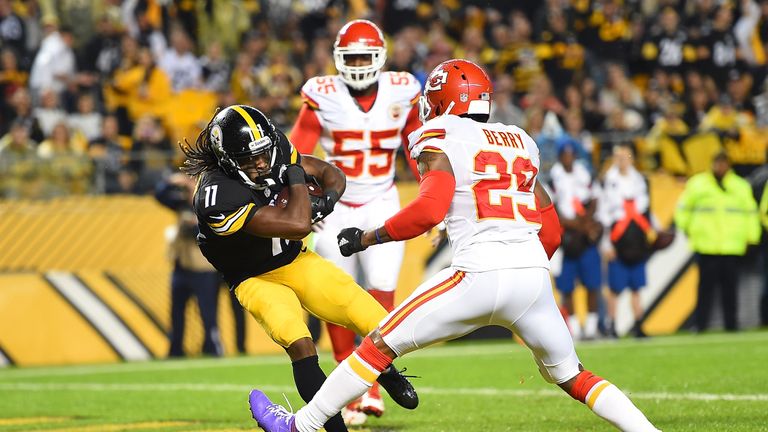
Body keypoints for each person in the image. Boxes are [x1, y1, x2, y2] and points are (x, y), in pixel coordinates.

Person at [249, 60, 660, 432]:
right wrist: (521, 270)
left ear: (441, 100)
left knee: (378, 344)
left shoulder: (439, 135)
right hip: (533, 278)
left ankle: (300, 426)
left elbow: (429, 210)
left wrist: (367, 237)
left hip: (476, 273)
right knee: (574, 377)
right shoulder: (519, 139)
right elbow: (549, 231)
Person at [178, 104, 417, 432]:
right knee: (300, 341)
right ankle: (335, 429)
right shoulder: (217, 196)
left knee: (375, 320)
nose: (261, 163)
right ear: (228, 160)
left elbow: (330, 172)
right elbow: (297, 224)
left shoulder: (273, 148)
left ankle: (386, 372)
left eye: (264, 154)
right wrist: (295, 180)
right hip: (254, 277)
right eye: (250, 159)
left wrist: (329, 198)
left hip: (296, 260)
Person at [289, 19, 421, 423]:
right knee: (336, 300)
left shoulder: (403, 90)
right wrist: (298, 204)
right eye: (353, 56)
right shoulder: (323, 95)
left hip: (382, 201)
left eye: (366, 55)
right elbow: (295, 153)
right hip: (335, 206)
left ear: (380, 56)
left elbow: (419, 150)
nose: (360, 63)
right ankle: (349, 395)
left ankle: (375, 385)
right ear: (338, 59)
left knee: (381, 297)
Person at [674, 152, 761, 332]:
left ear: (728, 165)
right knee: (705, 288)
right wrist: (686, 228)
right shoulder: (698, 184)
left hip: (731, 245)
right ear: (712, 164)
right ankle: (701, 324)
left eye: (723, 164)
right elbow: (683, 208)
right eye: (718, 163)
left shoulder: (740, 185)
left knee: (730, 288)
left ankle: (732, 324)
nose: (720, 167)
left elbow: (751, 213)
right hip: (706, 244)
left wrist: (752, 238)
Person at [154, 172, 223, 357]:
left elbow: (209, 232)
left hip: (203, 267)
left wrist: (193, 226)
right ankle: (175, 350)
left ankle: (212, 348)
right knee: (176, 313)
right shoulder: (182, 203)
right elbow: (159, 196)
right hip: (181, 265)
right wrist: (170, 180)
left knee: (207, 313)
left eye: (193, 180)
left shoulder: (210, 203)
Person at [599, 143, 654, 338]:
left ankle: (639, 324)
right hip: (618, 239)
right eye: (618, 156)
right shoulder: (608, 181)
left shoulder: (639, 180)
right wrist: (606, 243)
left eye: (625, 156)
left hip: (636, 240)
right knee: (614, 288)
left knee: (636, 287)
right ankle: (611, 326)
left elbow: (646, 210)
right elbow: (604, 214)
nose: (622, 160)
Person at [550, 141, 603, 340]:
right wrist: (580, 226)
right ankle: (573, 328)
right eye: (565, 155)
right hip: (568, 238)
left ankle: (590, 328)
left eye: (571, 155)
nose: (568, 158)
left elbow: (595, 199)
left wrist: (587, 222)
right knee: (567, 287)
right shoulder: (554, 179)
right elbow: (553, 209)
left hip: (585, 235)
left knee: (592, 284)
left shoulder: (584, 174)